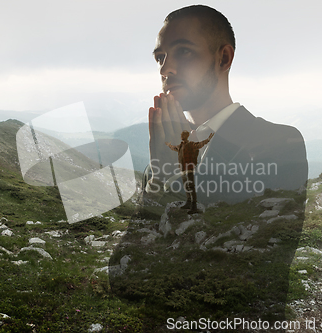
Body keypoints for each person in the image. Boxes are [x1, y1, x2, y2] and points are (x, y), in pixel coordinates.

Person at [110, 5, 308, 328]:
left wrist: (173, 178)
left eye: (183, 52)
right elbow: (122, 277)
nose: (166, 68)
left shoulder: (278, 145)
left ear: (224, 58)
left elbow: (237, 283)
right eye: (160, 57)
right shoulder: (158, 169)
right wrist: (161, 178)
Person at [165, 130, 214, 213]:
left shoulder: (190, 144)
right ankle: (188, 203)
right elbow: (174, 148)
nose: (181, 135)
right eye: (181, 134)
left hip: (189, 169)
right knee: (186, 186)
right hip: (183, 169)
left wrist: (208, 140)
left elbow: (199, 145)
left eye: (182, 134)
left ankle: (194, 206)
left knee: (191, 187)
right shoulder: (181, 145)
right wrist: (169, 145)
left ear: (186, 136)